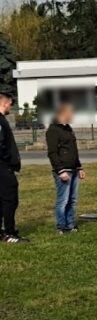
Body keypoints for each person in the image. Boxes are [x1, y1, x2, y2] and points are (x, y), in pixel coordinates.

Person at [46, 103, 86, 234]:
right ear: (63, 113)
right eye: (71, 112)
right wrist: (60, 170)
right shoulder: (53, 130)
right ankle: (61, 226)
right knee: (63, 200)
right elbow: (52, 152)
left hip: (73, 169)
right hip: (63, 170)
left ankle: (71, 225)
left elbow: (73, 151)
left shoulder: (68, 128)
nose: (73, 115)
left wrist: (79, 167)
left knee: (72, 200)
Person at [0, 93, 26, 243]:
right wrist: (9, 161)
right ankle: (9, 233)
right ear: (4, 104)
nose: (11, 106)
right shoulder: (0, 121)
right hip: (3, 167)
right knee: (10, 199)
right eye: (10, 104)